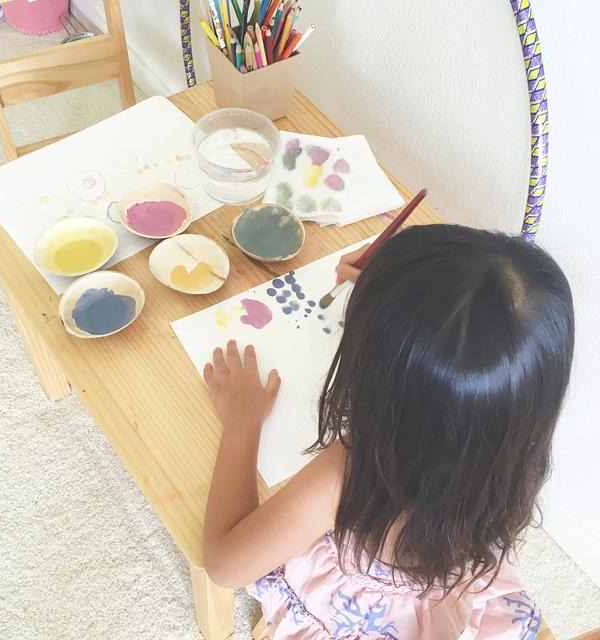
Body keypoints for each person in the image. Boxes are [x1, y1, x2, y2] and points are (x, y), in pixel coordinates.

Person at [201, 224, 574, 639]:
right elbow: (466, 343)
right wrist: (388, 289)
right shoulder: (504, 467)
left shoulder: (349, 476)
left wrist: (242, 419)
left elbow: (224, 565)